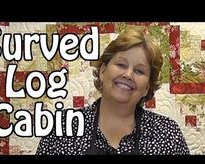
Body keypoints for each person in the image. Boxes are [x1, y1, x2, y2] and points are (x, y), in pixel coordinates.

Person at [36, 26, 190, 155]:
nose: (128, 74)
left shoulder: (167, 133)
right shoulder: (62, 127)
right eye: (121, 65)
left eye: (139, 71)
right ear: (103, 71)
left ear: (147, 87)